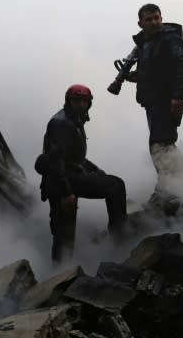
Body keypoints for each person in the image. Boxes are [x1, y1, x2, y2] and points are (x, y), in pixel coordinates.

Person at [35, 85, 127, 263]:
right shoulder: (61, 123)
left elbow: (74, 156)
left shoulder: (74, 120)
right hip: (60, 181)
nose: (81, 104)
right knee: (64, 233)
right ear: (68, 101)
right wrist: (67, 193)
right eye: (76, 100)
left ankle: (118, 242)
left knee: (114, 185)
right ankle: (60, 275)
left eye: (84, 101)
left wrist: (94, 169)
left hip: (69, 176)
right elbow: (56, 161)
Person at [131, 3, 183, 212]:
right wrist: (133, 77)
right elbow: (153, 73)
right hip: (153, 102)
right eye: (148, 19)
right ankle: (176, 186)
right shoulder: (147, 43)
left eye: (156, 18)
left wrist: (178, 97)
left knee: (160, 145)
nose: (154, 22)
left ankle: (171, 192)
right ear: (140, 23)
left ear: (161, 17)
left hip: (166, 101)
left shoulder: (170, 38)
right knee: (164, 144)